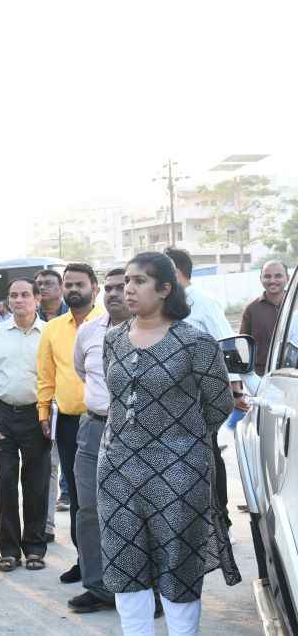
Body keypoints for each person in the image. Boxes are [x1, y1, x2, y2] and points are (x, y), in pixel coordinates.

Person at [98, 252, 240, 635]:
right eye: (126, 280)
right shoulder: (113, 340)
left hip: (179, 472)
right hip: (117, 469)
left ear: (165, 289)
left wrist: (179, 442)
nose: (128, 289)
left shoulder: (195, 342)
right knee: (125, 563)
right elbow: (114, 400)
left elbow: (219, 404)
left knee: (179, 564)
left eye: (139, 281)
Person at [164, 247, 246, 539]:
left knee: (208, 459)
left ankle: (220, 526)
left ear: (175, 271)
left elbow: (227, 343)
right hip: (169, 402)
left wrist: (235, 388)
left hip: (200, 400)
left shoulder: (203, 302)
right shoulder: (163, 306)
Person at [66, 268, 131, 614]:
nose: (115, 293)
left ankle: (142, 592)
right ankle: (98, 587)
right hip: (94, 429)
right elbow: (82, 372)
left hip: (138, 432)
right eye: (109, 288)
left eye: (123, 286)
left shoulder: (154, 332)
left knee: (138, 514)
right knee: (89, 510)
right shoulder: (89, 332)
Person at [37, 263, 101, 586]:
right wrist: (43, 413)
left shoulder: (109, 323)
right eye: (69, 284)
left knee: (109, 495)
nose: (74, 289)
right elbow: (46, 376)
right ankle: (85, 561)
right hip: (68, 423)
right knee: (77, 497)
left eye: (80, 284)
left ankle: (116, 566)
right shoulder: (52, 329)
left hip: (105, 422)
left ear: (95, 287)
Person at [0, 278, 50, 573]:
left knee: (36, 484)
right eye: (13, 296)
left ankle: (35, 547)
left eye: (25, 295)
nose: (19, 300)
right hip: (2, 415)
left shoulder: (49, 334)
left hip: (39, 416)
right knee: (7, 482)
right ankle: (9, 550)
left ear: (37, 298)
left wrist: (51, 415)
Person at [35, 268, 70, 521]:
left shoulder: (75, 315)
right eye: (40, 284)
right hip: (42, 400)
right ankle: (46, 524)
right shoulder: (31, 317)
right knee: (48, 465)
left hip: (70, 400)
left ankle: (67, 493)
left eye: (49, 283)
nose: (44, 288)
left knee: (70, 458)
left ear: (60, 287)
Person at [240, 260, 289, 377]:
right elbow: (243, 345)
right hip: (263, 377)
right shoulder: (251, 309)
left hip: (294, 374)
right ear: (261, 278)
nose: (272, 281)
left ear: (288, 278)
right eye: (267, 276)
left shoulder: (295, 305)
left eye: (278, 276)